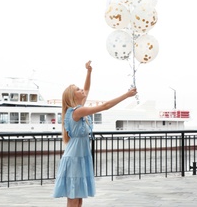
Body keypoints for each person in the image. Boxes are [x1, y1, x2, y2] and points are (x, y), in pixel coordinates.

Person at [53, 60, 137, 207]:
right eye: (77, 89)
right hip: (74, 158)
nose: (81, 90)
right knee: (73, 197)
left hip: (80, 156)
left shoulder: (78, 109)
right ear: (73, 97)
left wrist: (89, 72)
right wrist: (126, 95)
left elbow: (87, 88)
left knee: (78, 197)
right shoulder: (77, 111)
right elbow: (105, 106)